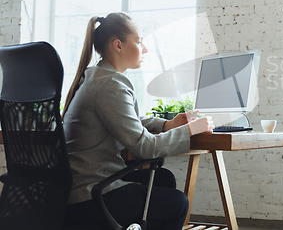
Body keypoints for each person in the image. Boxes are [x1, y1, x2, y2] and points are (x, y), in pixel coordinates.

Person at [62, 12, 214, 230]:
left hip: (78, 189)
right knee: (178, 204)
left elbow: (125, 118)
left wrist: (167, 125)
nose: (145, 49)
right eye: (139, 41)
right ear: (118, 45)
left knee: (163, 179)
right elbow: (146, 147)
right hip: (90, 194)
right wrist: (190, 130)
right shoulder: (111, 84)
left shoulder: (97, 76)